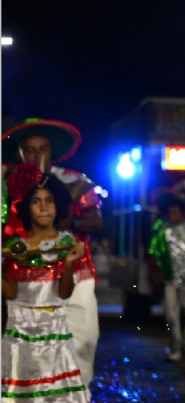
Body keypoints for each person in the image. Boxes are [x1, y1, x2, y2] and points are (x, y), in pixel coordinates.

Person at [2, 118, 101, 388]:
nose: (36, 155)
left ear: (52, 151)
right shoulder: (6, 184)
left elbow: (95, 221)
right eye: (30, 149)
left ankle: (80, 392)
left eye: (42, 148)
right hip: (23, 276)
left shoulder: (72, 181)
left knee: (84, 338)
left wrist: (68, 223)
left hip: (75, 271)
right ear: (19, 153)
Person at [1, 164, 89, 401]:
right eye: (36, 201)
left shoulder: (65, 243)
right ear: (26, 207)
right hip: (19, 330)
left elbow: (63, 295)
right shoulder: (13, 247)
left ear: (58, 205)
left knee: (55, 394)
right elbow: (10, 292)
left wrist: (69, 263)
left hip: (54, 330)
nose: (43, 207)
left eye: (49, 201)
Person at [148, 188, 185, 362]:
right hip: (170, 280)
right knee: (172, 316)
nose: (172, 216)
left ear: (183, 213)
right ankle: (176, 347)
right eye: (170, 213)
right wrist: (158, 272)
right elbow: (152, 253)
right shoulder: (161, 230)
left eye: (176, 212)